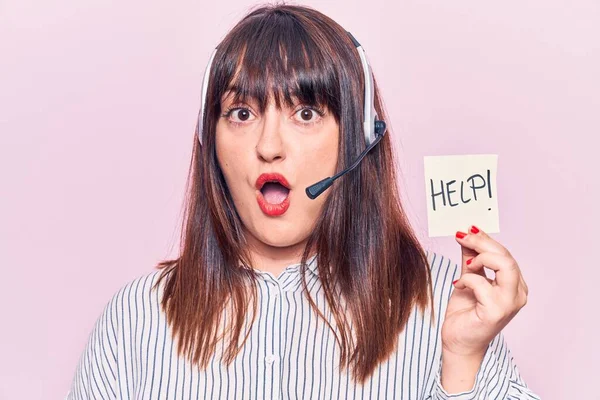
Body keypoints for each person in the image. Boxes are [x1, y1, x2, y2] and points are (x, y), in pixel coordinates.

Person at [67, 4, 540, 399]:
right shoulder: (134, 320)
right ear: (208, 139)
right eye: (242, 113)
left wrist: (462, 363)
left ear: (358, 140)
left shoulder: (446, 301)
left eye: (306, 113)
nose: (269, 145)